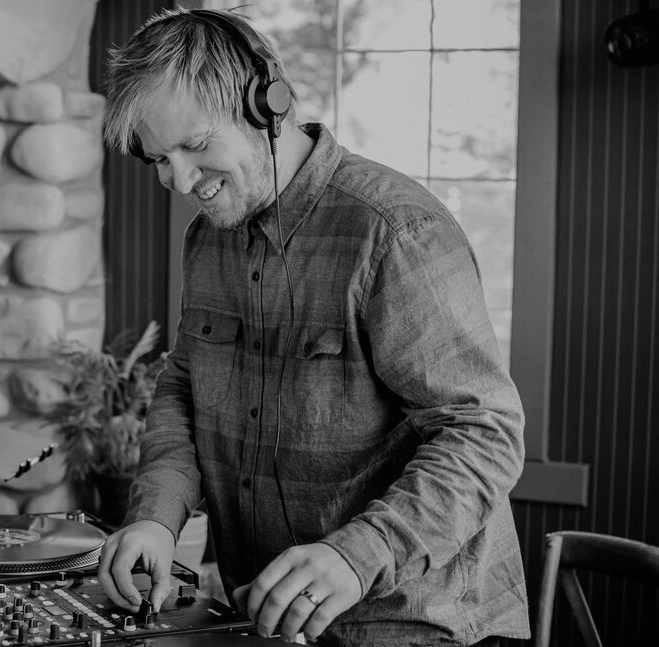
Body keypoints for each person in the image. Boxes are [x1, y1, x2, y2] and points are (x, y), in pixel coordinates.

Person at [97, 7, 529, 646]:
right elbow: (184, 389)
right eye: (159, 159)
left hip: (418, 626)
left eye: (194, 145)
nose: (180, 180)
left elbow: (484, 434)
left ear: (267, 105)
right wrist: (157, 518)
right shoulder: (207, 241)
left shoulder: (396, 233)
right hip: (270, 621)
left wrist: (360, 553)